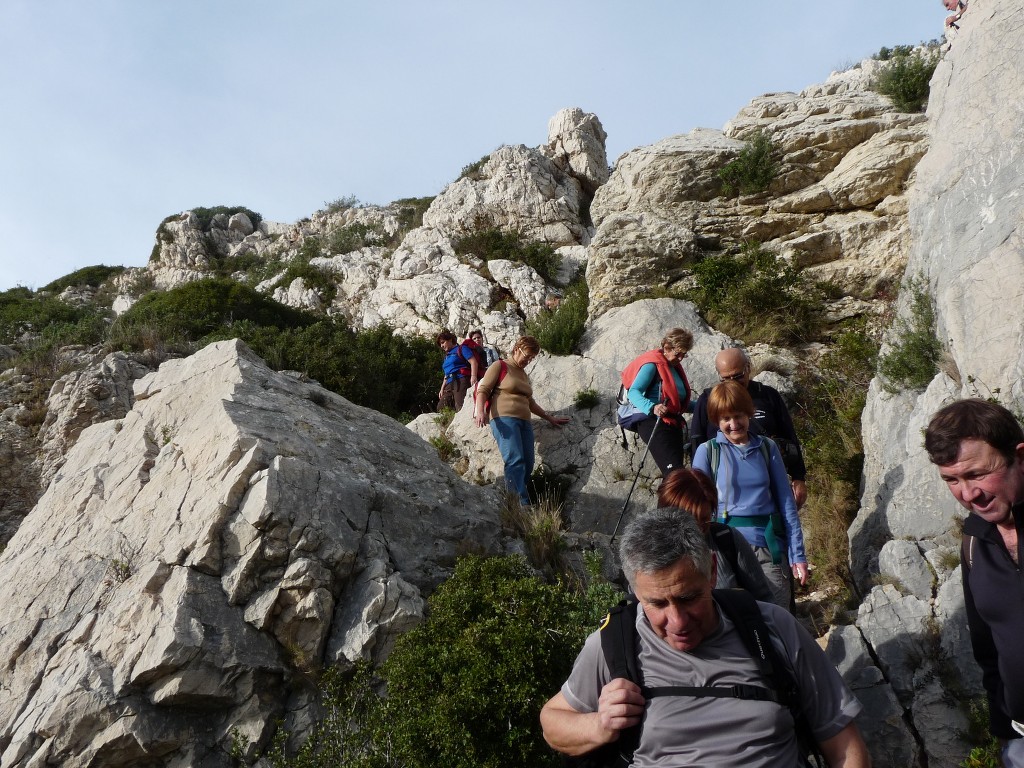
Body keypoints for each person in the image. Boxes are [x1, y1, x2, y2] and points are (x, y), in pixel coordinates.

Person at [540, 508, 870, 767]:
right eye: (657, 603)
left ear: (712, 572)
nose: (678, 621)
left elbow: (842, 743)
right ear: (635, 591)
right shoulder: (614, 644)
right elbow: (552, 722)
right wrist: (600, 725)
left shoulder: (773, 629)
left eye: (688, 597)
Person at [925, 399, 1024, 767]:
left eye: (978, 474)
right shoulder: (974, 540)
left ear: (1020, 457)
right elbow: (988, 649)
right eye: (951, 480)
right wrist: (1004, 734)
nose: (968, 495)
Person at [692, 380, 809, 610]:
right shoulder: (707, 452)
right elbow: (695, 508)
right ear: (716, 421)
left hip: (767, 546)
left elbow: (786, 503)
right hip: (723, 551)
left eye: (739, 416)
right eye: (726, 419)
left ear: (749, 415)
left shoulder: (767, 448)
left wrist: (798, 556)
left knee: (777, 618)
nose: (734, 424)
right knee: (732, 623)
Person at [691, 347, 808, 508]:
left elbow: (790, 436)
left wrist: (798, 477)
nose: (733, 382)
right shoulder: (707, 400)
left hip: (769, 484)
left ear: (748, 367)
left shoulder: (768, 396)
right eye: (726, 378)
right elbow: (697, 443)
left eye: (738, 376)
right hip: (724, 492)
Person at [474, 336, 568, 506]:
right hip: (504, 419)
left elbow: (530, 402)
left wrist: (549, 418)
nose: (528, 360)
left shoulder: (523, 374)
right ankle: (519, 503)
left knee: (529, 461)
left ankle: (515, 494)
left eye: (532, 358)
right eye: (527, 355)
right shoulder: (500, 366)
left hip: (524, 422)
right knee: (515, 459)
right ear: (517, 349)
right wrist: (480, 411)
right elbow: (483, 390)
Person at [658, 468, 774, 603]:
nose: (699, 529)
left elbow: (764, 599)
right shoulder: (649, 551)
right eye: (691, 521)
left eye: (705, 519)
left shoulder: (726, 540)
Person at [619, 328, 694, 477]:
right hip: (652, 422)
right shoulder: (652, 365)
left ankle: (669, 499)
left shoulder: (673, 368)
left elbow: (678, 404)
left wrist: (708, 404)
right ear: (667, 347)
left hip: (672, 423)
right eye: (678, 353)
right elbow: (634, 392)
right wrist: (652, 407)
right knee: (675, 474)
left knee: (674, 475)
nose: (680, 358)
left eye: (684, 354)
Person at [436, 330, 479, 412]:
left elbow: (473, 362)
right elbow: (446, 374)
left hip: (461, 380)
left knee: (460, 406)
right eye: (440, 344)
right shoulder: (446, 356)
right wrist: (442, 389)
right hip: (449, 384)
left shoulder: (461, 349)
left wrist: (474, 376)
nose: (441, 346)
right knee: (441, 408)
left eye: (443, 342)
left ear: (450, 340)